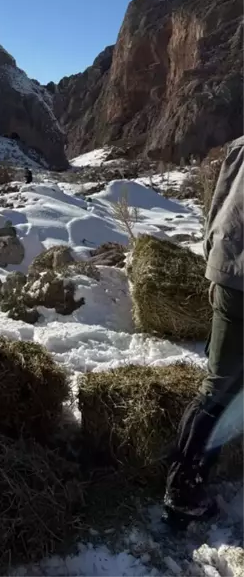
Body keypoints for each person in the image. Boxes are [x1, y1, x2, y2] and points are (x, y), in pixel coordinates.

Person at [164, 136, 244, 530]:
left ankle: (186, 471)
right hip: (240, 280)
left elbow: (217, 205)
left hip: (228, 271)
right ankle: (183, 487)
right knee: (220, 386)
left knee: (223, 382)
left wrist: (213, 258)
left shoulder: (240, 146)